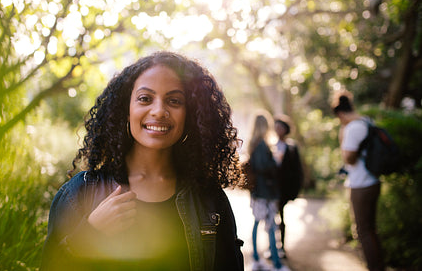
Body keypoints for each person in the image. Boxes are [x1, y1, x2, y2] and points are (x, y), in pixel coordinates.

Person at [40, 51, 244, 271]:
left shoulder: (209, 199)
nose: (159, 111)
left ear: (191, 114)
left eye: (174, 101)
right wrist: (90, 234)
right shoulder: (81, 193)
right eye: (145, 99)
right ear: (126, 110)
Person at [332, 90, 384, 271]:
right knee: (371, 229)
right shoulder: (367, 121)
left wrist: (343, 134)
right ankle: (379, 265)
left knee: (362, 231)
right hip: (374, 181)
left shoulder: (352, 128)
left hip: (360, 184)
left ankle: (374, 267)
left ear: (340, 114)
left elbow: (348, 159)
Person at [248, 114, 291, 271]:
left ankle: (257, 259)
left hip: (259, 191)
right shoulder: (262, 145)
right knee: (271, 226)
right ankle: (276, 264)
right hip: (266, 192)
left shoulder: (254, 144)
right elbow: (264, 167)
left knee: (259, 223)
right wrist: (276, 161)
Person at [271, 115, 303, 259]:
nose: (278, 130)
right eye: (276, 127)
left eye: (280, 127)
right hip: (271, 188)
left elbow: (297, 170)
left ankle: (282, 246)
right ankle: (272, 246)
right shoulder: (270, 145)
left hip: (284, 188)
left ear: (286, 129)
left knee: (281, 217)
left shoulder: (291, 147)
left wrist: (295, 190)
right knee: (271, 218)